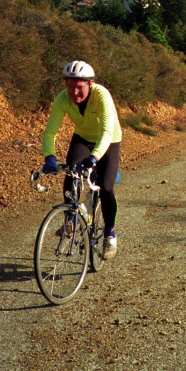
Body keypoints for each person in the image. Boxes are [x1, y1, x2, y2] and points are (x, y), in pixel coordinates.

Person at [42, 61, 122, 259]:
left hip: (108, 139)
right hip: (83, 138)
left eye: (80, 87)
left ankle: (109, 233)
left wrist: (93, 158)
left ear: (90, 84)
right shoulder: (62, 99)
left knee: (106, 187)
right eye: (70, 87)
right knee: (70, 173)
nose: (74, 92)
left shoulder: (101, 95)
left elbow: (106, 131)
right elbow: (50, 131)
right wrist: (49, 156)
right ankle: (70, 217)